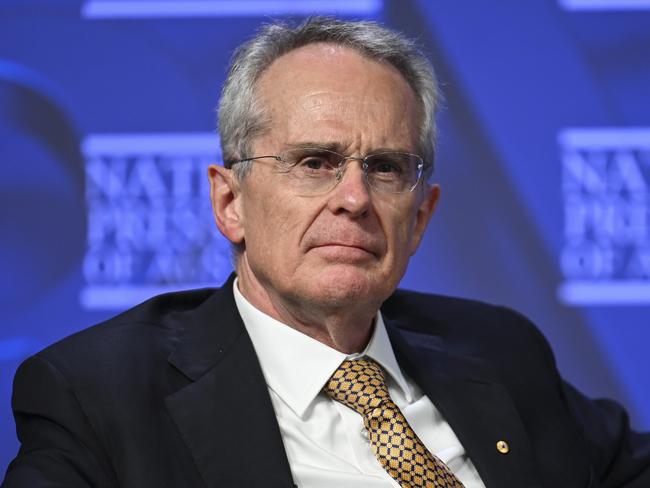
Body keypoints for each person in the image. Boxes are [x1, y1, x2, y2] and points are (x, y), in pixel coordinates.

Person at [3, 17, 650, 488]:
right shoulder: (97, 394)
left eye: (388, 168)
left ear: (421, 217)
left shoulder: (498, 349)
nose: (354, 199)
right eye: (315, 162)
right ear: (231, 203)